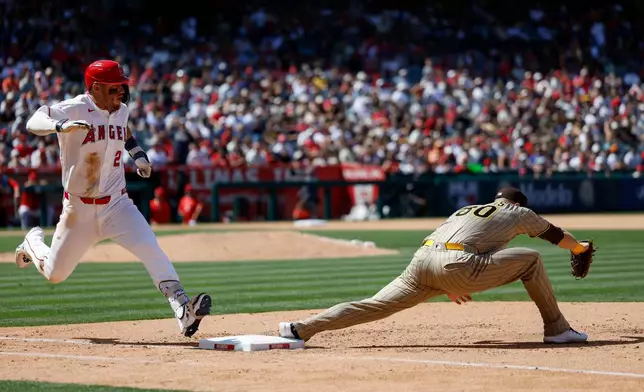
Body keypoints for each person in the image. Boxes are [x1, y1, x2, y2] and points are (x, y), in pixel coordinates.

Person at [15, 59, 212, 337]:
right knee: (55, 273)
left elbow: (125, 131)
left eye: (122, 85)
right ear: (95, 87)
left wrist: (138, 154)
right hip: (79, 210)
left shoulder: (121, 111)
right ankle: (33, 241)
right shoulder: (75, 107)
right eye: (114, 87)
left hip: (117, 204)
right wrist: (60, 126)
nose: (121, 91)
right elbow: (34, 120)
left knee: (150, 247)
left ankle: (183, 309)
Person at [279, 187, 590, 344]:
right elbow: (558, 236)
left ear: (496, 199)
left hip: (422, 261)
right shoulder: (519, 213)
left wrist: (449, 281)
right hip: (457, 265)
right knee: (532, 259)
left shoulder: (466, 209)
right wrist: (579, 248)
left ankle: (300, 330)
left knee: (373, 305)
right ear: (518, 203)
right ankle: (557, 329)